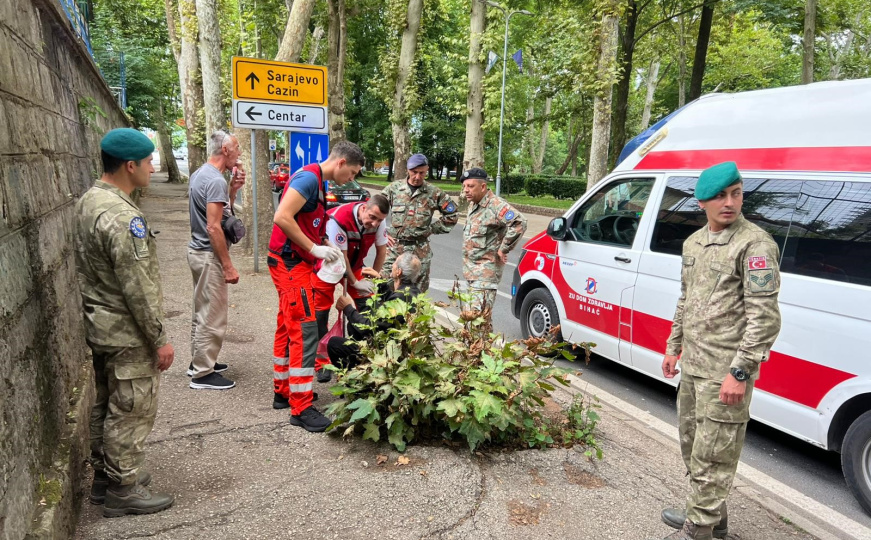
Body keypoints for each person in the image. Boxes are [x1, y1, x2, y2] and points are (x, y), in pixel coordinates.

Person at [653, 161, 782, 540]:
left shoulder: (755, 245)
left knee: (715, 455)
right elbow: (686, 299)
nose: (730, 202)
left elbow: (765, 319)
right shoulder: (693, 243)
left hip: (725, 371)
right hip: (694, 366)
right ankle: (714, 516)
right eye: (720, 196)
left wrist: (740, 372)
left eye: (736, 193)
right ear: (702, 202)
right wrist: (673, 346)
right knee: (694, 447)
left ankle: (701, 528)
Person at [75, 128, 175, 517]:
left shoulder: (90, 200)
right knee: (132, 408)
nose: (153, 167)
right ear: (129, 166)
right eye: (149, 162)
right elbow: (138, 286)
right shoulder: (121, 216)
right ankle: (124, 488)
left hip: (101, 323)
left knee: (108, 401)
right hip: (126, 330)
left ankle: (105, 477)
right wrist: (159, 338)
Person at [269, 140, 365, 431]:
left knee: (287, 325)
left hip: (290, 262)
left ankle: (283, 391)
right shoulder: (309, 179)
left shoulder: (318, 183)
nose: (352, 179)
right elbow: (282, 217)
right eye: (352, 172)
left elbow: (304, 221)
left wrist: (324, 245)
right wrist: (314, 248)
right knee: (305, 330)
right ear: (340, 163)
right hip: (290, 264)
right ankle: (300, 408)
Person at [186, 130, 246, 390]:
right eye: (236, 149)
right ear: (225, 150)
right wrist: (228, 265)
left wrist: (233, 190)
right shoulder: (214, 180)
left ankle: (199, 361)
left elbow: (221, 214)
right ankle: (202, 374)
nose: (239, 154)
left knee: (202, 310)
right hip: (208, 256)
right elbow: (214, 227)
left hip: (197, 252)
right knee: (213, 315)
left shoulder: (202, 174)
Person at [313, 194, 391, 383]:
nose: (374, 223)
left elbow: (382, 251)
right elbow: (342, 257)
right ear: (364, 208)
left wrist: (373, 277)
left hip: (355, 266)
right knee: (320, 313)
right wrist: (355, 282)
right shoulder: (339, 219)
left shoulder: (379, 222)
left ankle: (359, 356)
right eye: (372, 217)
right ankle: (322, 363)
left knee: (370, 307)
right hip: (329, 265)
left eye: (379, 220)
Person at [327, 252, 422, 370]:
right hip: (400, 348)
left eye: (394, 263)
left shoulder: (400, 298)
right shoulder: (414, 293)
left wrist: (348, 309)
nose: (392, 265)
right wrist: (380, 282)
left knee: (334, 343)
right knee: (353, 325)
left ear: (398, 272)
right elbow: (392, 304)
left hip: (386, 353)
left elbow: (371, 328)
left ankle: (358, 376)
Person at [380, 153, 458, 292]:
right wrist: (382, 233)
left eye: (422, 173)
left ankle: (414, 314)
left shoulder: (434, 192)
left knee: (417, 292)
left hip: (419, 249)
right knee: (385, 285)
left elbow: (452, 215)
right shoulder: (394, 189)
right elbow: (375, 209)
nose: (417, 177)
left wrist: (432, 229)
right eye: (414, 172)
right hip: (395, 248)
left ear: (427, 170)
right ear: (407, 170)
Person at [460, 168, 527, 315]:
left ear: (483, 186)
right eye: (464, 186)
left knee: (476, 321)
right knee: (476, 321)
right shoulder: (474, 204)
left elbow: (519, 223)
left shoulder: (495, 205)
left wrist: (503, 248)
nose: (466, 190)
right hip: (471, 273)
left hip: (485, 274)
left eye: (470, 186)